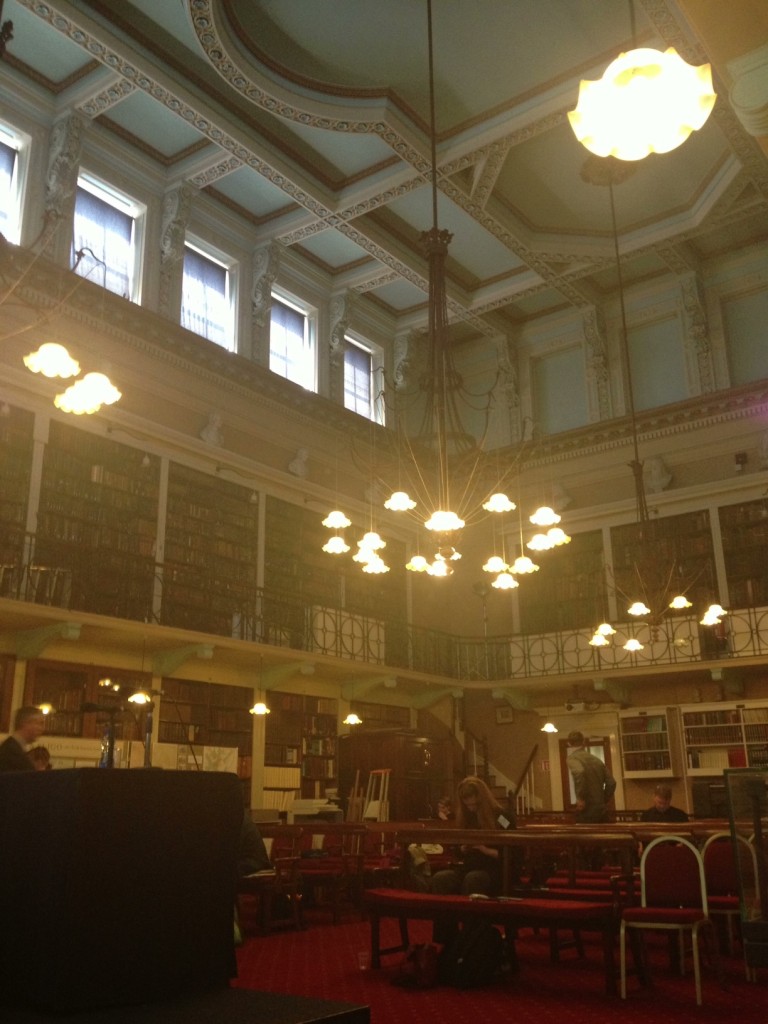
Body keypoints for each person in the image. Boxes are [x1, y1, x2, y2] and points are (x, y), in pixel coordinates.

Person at [430, 776, 509, 897]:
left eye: (474, 805)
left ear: (482, 800)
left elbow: (514, 851)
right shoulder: (467, 817)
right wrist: (463, 848)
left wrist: (485, 850)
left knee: (473, 878)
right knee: (440, 878)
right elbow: (457, 851)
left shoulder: (501, 817)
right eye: (467, 805)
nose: (471, 808)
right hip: (470, 867)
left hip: (494, 868)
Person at [566, 731, 616, 823]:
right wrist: (603, 799)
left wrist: (580, 798)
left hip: (586, 809)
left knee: (585, 835)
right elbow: (611, 782)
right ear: (583, 742)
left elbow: (579, 772)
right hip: (601, 810)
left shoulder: (572, 758)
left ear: (569, 743)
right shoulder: (596, 760)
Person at [0, 707, 45, 772]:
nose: (42, 729)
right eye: (39, 723)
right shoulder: (11, 751)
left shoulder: (13, 747)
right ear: (26, 723)